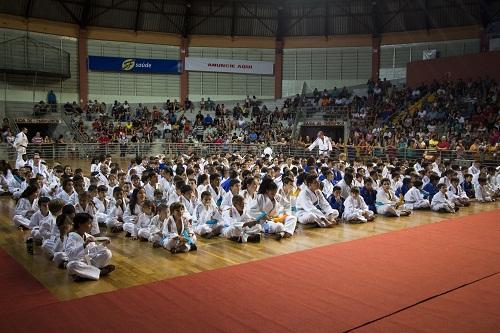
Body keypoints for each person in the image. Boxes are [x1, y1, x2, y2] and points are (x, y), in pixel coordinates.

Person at [65, 213, 115, 281]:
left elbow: (92, 252)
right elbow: (70, 255)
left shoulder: (88, 236)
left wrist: (103, 244)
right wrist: (84, 245)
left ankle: (84, 274)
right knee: (71, 265)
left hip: (89, 261)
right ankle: (99, 272)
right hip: (78, 262)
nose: (91, 225)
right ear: (80, 224)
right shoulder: (71, 237)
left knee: (107, 253)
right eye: (89, 223)